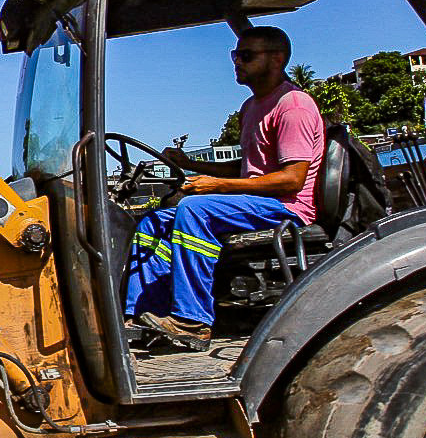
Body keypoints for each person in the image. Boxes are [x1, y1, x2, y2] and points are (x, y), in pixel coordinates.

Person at [124, 26, 325, 350]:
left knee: (194, 210)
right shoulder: (251, 107)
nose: (237, 62)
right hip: (254, 201)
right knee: (152, 223)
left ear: (277, 59)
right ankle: (143, 316)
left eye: (246, 55)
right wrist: (191, 165)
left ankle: (193, 321)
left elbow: (292, 179)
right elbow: (247, 168)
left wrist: (218, 186)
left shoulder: (293, 106)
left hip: (285, 207)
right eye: (235, 55)